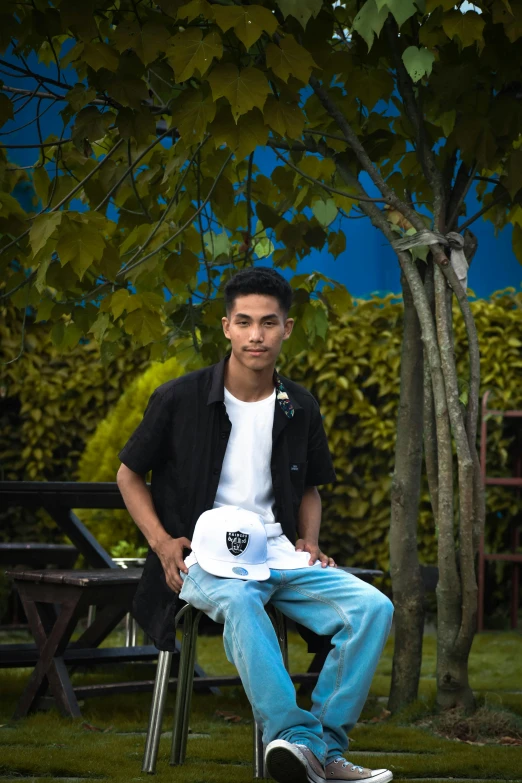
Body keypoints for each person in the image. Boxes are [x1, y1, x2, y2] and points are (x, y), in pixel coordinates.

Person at [117, 267, 394, 783]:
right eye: (244, 322)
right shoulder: (180, 398)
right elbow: (128, 473)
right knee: (242, 600)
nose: (256, 335)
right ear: (226, 327)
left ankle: (319, 749)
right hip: (203, 559)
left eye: (268, 323)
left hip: (277, 555)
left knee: (372, 607)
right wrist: (160, 544)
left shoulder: (300, 405)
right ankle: (297, 740)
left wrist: (309, 539)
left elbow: (310, 486)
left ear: (286, 329)